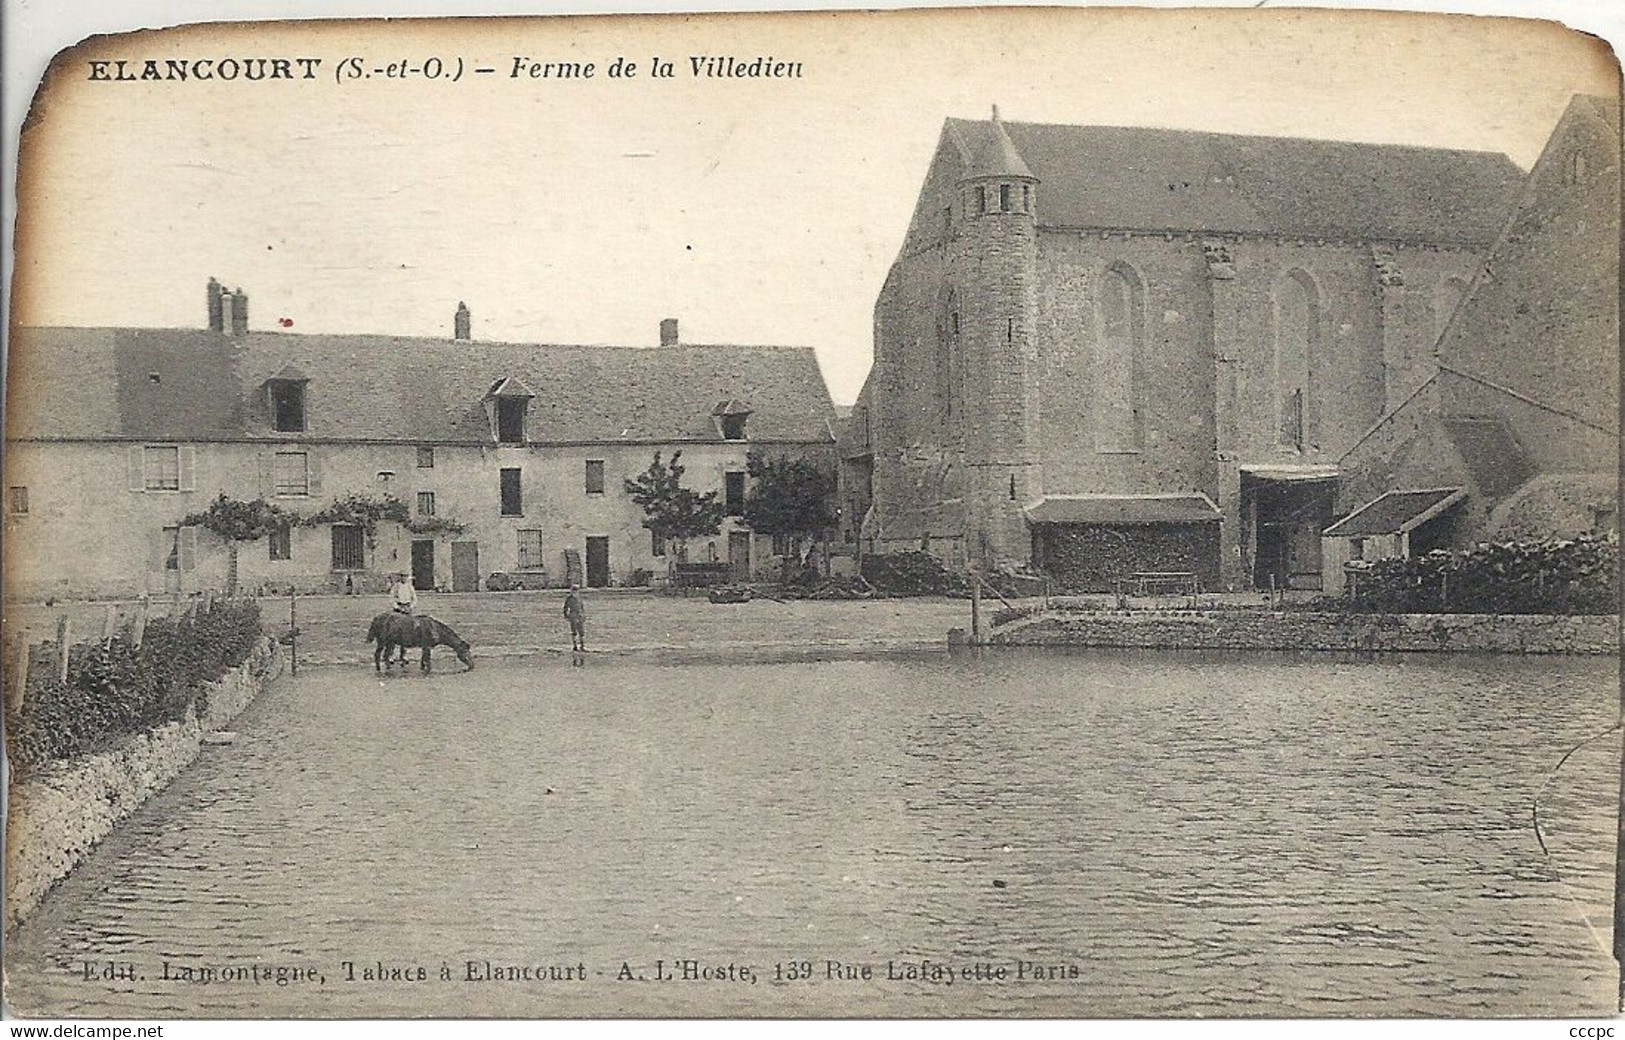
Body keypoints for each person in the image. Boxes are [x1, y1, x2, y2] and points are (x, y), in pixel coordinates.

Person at [563, 583, 586, 651]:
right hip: (573, 616)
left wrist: (583, 615)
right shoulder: (569, 599)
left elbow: (582, 607)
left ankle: (582, 645)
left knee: (581, 632)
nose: (575, 592)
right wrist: (566, 615)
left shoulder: (579, 598)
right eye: (574, 590)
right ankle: (575, 646)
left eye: (576, 590)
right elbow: (565, 608)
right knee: (574, 632)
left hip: (580, 616)